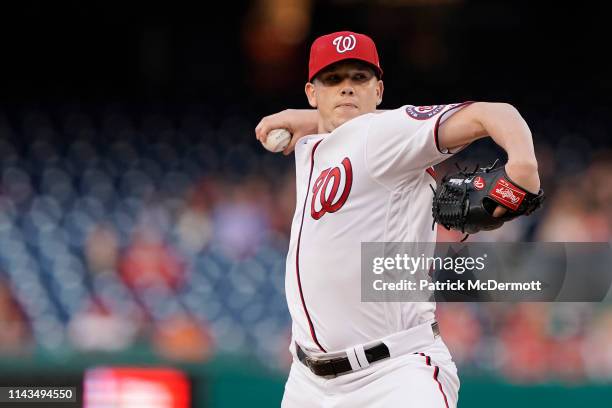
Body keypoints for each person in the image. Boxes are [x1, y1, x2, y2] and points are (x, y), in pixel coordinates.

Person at [255, 31, 540, 408]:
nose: (347, 89)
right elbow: (347, 132)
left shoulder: (386, 133)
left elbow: (494, 112)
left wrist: (524, 165)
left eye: (359, 78)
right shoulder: (315, 145)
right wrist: (309, 120)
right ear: (312, 92)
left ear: (379, 90)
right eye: (333, 79)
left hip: (393, 377)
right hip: (308, 383)